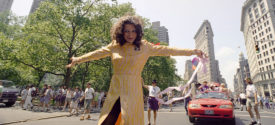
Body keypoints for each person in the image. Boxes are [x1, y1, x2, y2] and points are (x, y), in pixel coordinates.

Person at [66, 15, 205, 125]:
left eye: (133, 31)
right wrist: (78, 59)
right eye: (126, 31)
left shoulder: (145, 47)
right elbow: (96, 54)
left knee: (130, 120)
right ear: (121, 32)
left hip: (132, 90)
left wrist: (192, 51)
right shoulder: (115, 46)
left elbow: (168, 50)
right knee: (107, 119)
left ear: (138, 32)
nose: (130, 34)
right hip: (115, 89)